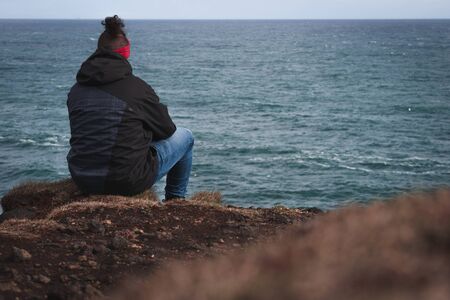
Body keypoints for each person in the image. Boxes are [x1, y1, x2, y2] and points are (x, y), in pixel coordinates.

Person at [67, 15, 194, 200]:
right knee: (186, 137)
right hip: (125, 181)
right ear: (126, 52)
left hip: (83, 177)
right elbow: (167, 130)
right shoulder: (136, 89)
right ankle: (176, 200)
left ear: (98, 51)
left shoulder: (77, 90)